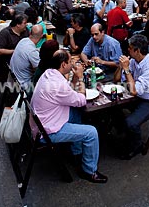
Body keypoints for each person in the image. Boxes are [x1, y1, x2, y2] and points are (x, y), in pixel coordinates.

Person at [31, 49, 108, 183]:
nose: (73, 63)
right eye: (70, 61)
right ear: (63, 64)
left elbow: (68, 89)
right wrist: (82, 80)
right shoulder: (56, 85)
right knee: (91, 132)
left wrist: (76, 77)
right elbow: (81, 100)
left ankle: (76, 152)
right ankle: (89, 171)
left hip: (43, 121)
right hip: (48, 131)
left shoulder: (49, 74)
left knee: (76, 112)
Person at [114, 34, 149, 159]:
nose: (128, 51)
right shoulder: (134, 61)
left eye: (130, 49)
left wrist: (126, 70)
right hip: (140, 95)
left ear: (137, 51)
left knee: (131, 122)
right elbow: (116, 80)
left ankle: (137, 146)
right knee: (112, 106)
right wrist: (120, 67)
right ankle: (124, 131)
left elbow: (134, 91)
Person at [10, 24, 43, 91]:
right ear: (41, 36)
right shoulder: (32, 52)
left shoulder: (23, 40)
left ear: (30, 32)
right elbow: (39, 71)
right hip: (24, 84)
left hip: (14, 79)